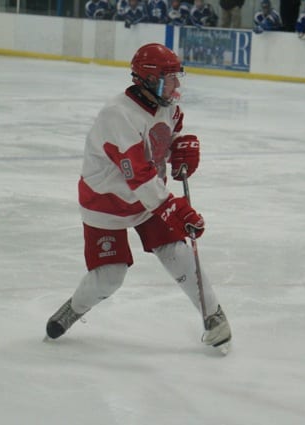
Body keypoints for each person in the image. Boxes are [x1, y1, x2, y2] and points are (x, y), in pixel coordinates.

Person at [45, 43, 232, 352]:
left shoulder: (168, 106)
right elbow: (139, 175)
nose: (177, 85)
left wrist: (179, 150)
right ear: (149, 78)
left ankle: (213, 316)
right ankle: (72, 310)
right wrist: (175, 209)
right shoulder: (117, 115)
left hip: (147, 201)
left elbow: (163, 140)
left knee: (178, 252)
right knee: (109, 276)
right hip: (107, 202)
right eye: (171, 78)